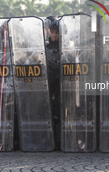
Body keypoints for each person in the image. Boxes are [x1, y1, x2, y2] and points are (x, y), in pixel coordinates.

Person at [46, 20, 60, 150]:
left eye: (56, 33)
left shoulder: (64, 46)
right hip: (47, 84)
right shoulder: (45, 47)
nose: (54, 35)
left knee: (58, 110)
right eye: (52, 32)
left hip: (59, 84)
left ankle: (58, 140)